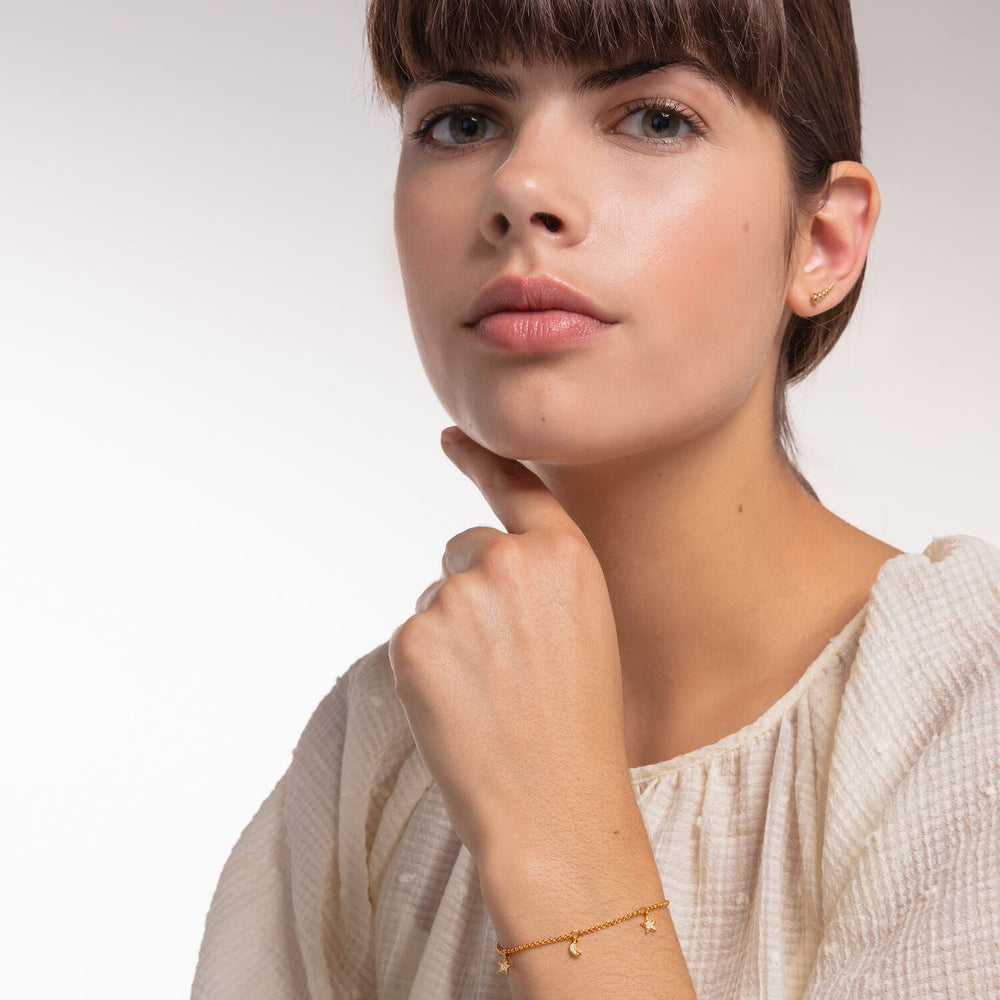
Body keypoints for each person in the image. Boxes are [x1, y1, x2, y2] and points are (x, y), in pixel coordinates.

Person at [191, 0, 1000, 997]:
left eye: (654, 118)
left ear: (823, 242)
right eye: (461, 121)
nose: (520, 187)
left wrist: (558, 840)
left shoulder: (966, 713)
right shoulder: (379, 750)